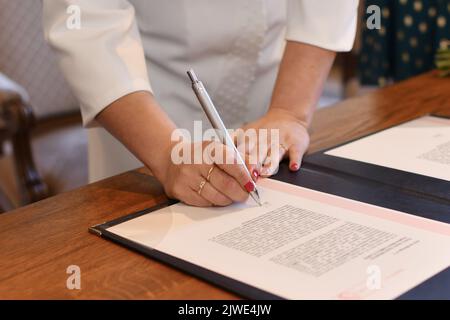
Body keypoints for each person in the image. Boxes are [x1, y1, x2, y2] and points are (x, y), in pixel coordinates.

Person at [43, 0, 358, 206]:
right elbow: (88, 23)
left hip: (278, 82)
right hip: (147, 114)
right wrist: (167, 156)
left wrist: (290, 111)